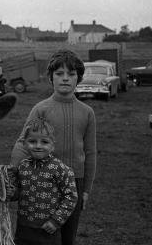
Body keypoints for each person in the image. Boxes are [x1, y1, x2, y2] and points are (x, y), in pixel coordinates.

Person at [10, 49, 97, 245]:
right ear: (51, 78)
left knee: (67, 236)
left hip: (74, 182)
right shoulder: (40, 108)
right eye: (59, 74)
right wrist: (12, 174)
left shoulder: (87, 112)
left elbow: (90, 152)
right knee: (42, 234)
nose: (65, 79)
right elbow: (22, 143)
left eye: (71, 74)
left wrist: (85, 190)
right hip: (41, 180)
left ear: (78, 78)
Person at [5, 118, 78, 245]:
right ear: (24, 143)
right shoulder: (22, 166)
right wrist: (11, 192)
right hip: (24, 227)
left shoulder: (60, 169)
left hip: (48, 229)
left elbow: (71, 197)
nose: (38, 146)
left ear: (52, 145)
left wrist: (56, 221)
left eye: (44, 142)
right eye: (32, 141)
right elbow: (18, 193)